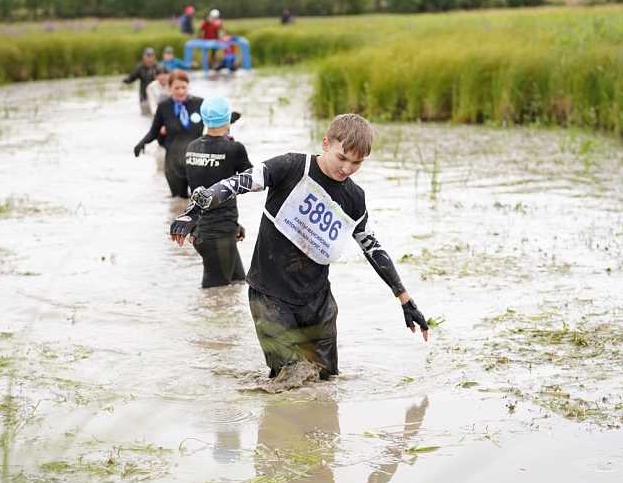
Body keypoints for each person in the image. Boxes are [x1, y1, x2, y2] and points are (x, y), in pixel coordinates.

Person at [170, 114, 430, 380]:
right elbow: (237, 183)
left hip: (318, 303)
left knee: (326, 381)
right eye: (342, 158)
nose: (347, 169)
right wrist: (194, 210)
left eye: (357, 162)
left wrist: (404, 299)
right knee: (291, 380)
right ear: (326, 143)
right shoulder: (292, 166)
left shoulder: (354, 199)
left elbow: (372, 248)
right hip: (270, 295)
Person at [183, 97, 252, 288]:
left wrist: (234, 224)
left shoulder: (192, 147)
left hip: (204, 229)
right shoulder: (233, 148)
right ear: (228, 118)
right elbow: (254, 180)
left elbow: (201, 187)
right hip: (218, 234)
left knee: (238, 285)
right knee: (214, 299)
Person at [134, 70, 204, 198]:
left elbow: (214, 124)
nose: (181, 91)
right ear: (169, 88)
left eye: (184, 87)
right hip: (173, 163)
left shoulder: (200, 103)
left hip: (197, 161)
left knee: (200, 201)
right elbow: (154, 131)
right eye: (176, 88)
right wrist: (141, 143)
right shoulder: (163, 107)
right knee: (177, 202)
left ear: (188, 86)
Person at [123, 48, 165, 116]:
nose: (149, 59)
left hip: (156, 97)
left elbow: (168, 78)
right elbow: (131, 78)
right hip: (144, 98)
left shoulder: (159, 67)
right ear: (144, 57)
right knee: (146, 115)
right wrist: (125, 80)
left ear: (154, 57)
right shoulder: (139, 68)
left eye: (151, 56)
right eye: (148, 56)